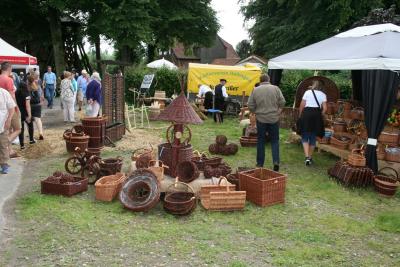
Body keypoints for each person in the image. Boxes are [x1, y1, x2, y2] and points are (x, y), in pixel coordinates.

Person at [248, 74, 286, 171]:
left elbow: (250, 104)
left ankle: (260, 163)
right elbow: (282, 102)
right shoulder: (276, 88)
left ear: (260, 81)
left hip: (261, 119)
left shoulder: (255, 90)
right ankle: (276, 162)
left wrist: (255, 112)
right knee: (275, 141)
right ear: (269, 80)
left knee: (261, 140)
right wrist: (279, 111)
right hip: (274, 118)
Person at [298, 80, 327, 166]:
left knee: (305, 136)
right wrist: (320, 114)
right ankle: (309, 157)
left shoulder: (307, 92)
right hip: (317, 114)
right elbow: (325, 109)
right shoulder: (323, 95)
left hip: (307, 114)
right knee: (313, 137)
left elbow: (302, 104)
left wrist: (300, 114)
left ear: (314, 85)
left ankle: (307, 157)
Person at [0, 62, 21, 157]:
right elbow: (12, 95)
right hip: (9, 108)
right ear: (9, 68)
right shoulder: (8, 80)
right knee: (17, 129)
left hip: (1, 108)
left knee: (7, 129)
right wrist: (17, 107)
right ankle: (4, 144)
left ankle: (10, 151)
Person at [0, 87, 16, 174]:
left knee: (3, 145)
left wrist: (9, 120)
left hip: (2, 124)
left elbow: (11, 108)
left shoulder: (3, 92)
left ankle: (4, 164)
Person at [16, 82, 35, 149]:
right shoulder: (26, 93)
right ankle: (31, 140)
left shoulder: (16, 93)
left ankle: (22, 145)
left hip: (18, 112)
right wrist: (29, 115)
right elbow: (27, 105)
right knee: (30, 125)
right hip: (25, 112)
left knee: (21, 128)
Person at [28, 75, 44, 140]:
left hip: (30, 105)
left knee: (30, 121)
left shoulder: (27, 87)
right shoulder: (37, 86)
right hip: (37, 104)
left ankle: (31, 135)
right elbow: (40, 95)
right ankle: (41, 133)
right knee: (38, 119)